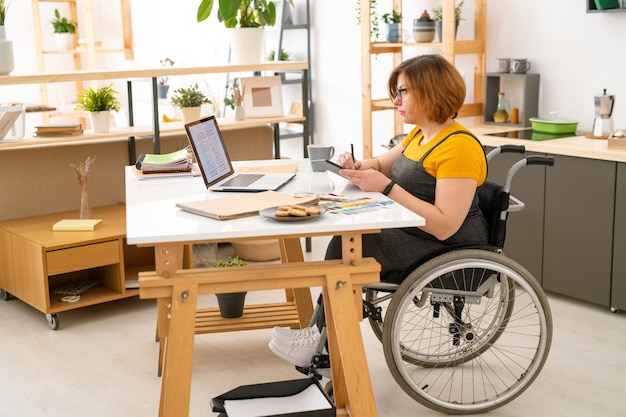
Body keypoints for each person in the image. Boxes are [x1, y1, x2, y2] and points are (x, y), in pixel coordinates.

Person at [269, 54, 489, 367]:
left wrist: (385, 187)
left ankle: (323, 337)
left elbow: (445, 225)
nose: (396, 100)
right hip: (417, 230)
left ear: (430, 92)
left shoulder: (459, 147)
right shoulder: (420, 135)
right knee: (345, 242)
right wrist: (358, 167)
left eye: (403, 92)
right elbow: (382, 164)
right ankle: (322, 334)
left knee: (351, 248)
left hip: (447, 244)